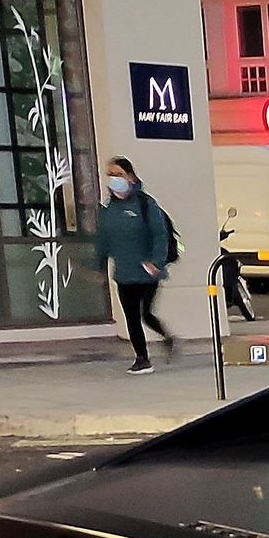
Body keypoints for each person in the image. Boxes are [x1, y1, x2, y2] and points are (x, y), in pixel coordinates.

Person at [94, 156, 176, 374]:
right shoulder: (107, 209)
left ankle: (167, 338)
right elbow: (102, 240)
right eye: (110, 175)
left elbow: (160, 235)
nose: (114, 179)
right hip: (124, 274)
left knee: (145, 313)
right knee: (131, 317)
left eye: (118, 174)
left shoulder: (145, 204)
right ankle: (142, 358)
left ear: (130, 176)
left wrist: (157, 262)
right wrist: (98, 266)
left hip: (148, 273)